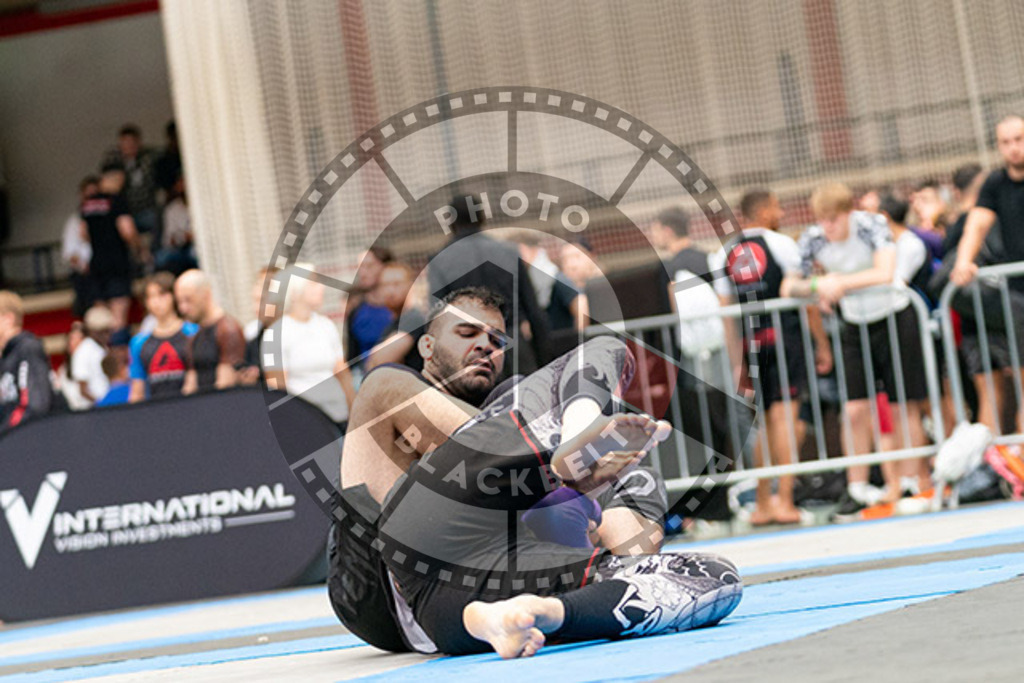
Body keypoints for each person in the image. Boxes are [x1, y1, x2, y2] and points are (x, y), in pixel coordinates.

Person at [338, 287, 741, 658]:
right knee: (604, 351)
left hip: (448, 607)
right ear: (427, 346)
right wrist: (566, 455)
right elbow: (484, 431)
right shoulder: (400, 392)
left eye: (497, 341)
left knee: (714, 577)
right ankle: (575, 430)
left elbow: (630, 547)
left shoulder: (515, 411)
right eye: (467, 333)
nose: (485, 346)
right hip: (387, 571)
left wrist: (589, 501)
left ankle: (546, 612)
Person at [781, 183, 931, 519]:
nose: (827, 227)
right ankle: (858, 487)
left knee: (902, 405)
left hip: (893, 315)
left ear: (848, 213)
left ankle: (911, 482)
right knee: (854, 410)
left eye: (833, 219)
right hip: (854, 322)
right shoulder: (813, 238)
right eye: (822, 220)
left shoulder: (871, 225)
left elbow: (885, 272)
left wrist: (840, 283)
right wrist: (818, 284)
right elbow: (789, 286)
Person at [710, 190, 832, 525]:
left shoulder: (724, 253)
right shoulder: (782, 245)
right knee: (786, 421)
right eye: (777, 207)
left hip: (753, 344)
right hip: (785, 341)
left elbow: (726, 315)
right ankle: (785, 501)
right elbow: (805, 300)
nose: (781, 213)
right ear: (763, 211)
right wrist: (821, 343)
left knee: (766, 424)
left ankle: (763, 503)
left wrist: (737, 360)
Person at [951, 114, 1024, 431]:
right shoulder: (995, 184)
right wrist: (964, 261)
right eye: (1006, 142)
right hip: (1018, 296)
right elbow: (976, 225)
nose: (1013, 147)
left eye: (1019, 139)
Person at [427, 195, 551, 372]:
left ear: (451, 222)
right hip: (515, 349)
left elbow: (437, 318)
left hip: (469, 353)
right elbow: (534, 310)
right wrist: (544, 359)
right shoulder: (508, 252)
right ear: (481, 217)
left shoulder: (440, 261)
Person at [267, 263, 355, 428]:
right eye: (313, 282)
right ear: (295, 291)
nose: (321, 287)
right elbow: (278, 387)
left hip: (339, 415)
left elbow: (342, 373)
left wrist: (356, 411)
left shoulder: (326, 325)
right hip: (306, 422)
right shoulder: (277, 333)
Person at [80, 162, 143, 332]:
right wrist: (139, 247)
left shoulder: (88, 203)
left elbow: (83, 233)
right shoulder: (117, 201)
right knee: (118, 315)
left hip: (97, 262)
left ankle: (102, 345)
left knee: (100, 316)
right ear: (118, 179)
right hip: (117, 262)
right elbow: (127, 230)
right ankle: (117, 346)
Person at [129, 272, 198, 402]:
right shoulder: (139, 343)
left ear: (174, 296)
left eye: (162, 294)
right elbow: (137, 388)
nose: (156, 302)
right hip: (157, 408)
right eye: (150, 297)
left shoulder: (193, 333)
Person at [174, 269, 246, 393]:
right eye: (179, 302)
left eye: (188, 300)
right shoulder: (195, 335)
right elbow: (190, 384)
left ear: (205, 295)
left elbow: (226, 385)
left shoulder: (227, 330)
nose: (183, 308)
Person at [0, 290, 53, 434]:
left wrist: (4, 432)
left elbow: (34, 405)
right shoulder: (6, 357)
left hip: (31, 438)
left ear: (8, 319)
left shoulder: (27, 349)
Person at [365, 261, 428, 372]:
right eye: (385, 285)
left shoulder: (414, 318)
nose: (390, 291)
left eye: (396, 284)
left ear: (410, 285)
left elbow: (380, 361)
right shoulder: (395, 322)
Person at [101, 124, 158, 235]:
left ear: (139, 143)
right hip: (124, 211)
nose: (129, 146)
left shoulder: (148, 158)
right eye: (125, 143)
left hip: (146, 208)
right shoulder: (113, 159)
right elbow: (108, 183)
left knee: (156, 219)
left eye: (132, 143)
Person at [62, 176, 99, 317]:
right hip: (86, 275)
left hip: (107, 272)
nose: (91, 199)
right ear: (81, 196)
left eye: (95, 195)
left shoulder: (109, 217)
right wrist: (86, 266)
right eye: (88, 195)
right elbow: (69, 254)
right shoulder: (75, 221)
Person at [71, 306, 115, 408]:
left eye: (108, 331)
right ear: (91, 331)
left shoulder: (103, 348)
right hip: (92, 409)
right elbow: (82, 390)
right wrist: (101, 404)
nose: (107, 335)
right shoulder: (83, 352)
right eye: (102, 332)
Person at [154, 175, 197, 275]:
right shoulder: (172, 209)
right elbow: (168, 240)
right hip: (179, 248)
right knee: (161, 258)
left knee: (194, 254)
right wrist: (183, 237)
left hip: (196, 247)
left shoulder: (199, 205)